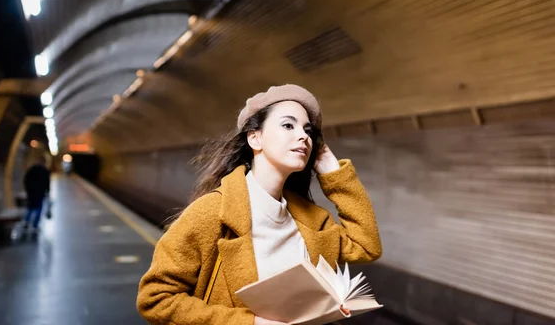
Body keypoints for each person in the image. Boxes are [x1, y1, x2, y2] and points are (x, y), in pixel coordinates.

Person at [137, 84, 382, 325]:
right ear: (255, 138)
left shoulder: (312, 220)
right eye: (288, 125)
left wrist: (333, 173)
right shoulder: (211, 213)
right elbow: (156, 299)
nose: (303, 136)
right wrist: (251, 323)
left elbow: (367, 245)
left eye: (308, 131)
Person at [22, 155, 51, 232]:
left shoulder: (32, 169)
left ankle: (26, 222)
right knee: (38, 209)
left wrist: (27, 189)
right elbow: (47, 183)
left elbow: (26, 179)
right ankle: (35, 224)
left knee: (30, 208)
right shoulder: (45, 171)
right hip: (39, 192)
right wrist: (47, 192)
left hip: (32, 192)